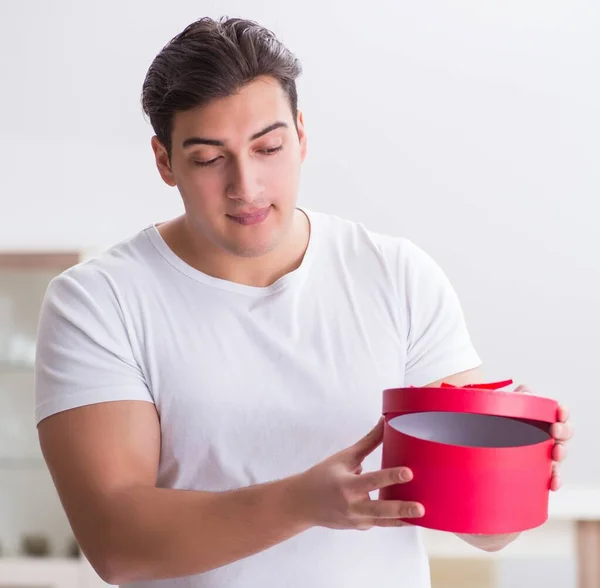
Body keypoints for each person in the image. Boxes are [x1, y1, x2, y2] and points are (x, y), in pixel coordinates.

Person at [34, 16, 572, 588]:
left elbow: (485, 529)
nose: (247, 185)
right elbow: (118, 545)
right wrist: (302, 503)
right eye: (210, 159)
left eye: (268, 147)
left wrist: (518, 462)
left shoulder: (396, 275)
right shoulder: (97, 302)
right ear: (165, 161)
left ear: (301, 135)